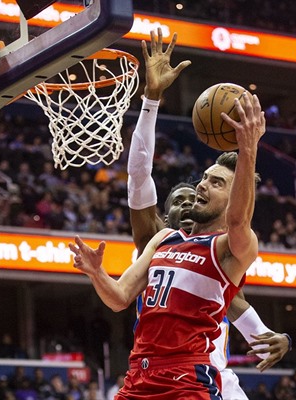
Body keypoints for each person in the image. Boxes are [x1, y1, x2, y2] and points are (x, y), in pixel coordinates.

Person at [69, 48, 267, 398]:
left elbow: (238, 220)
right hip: (138, 375)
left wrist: (248, 147)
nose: (202, 186)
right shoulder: (162, 238)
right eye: (204, 178)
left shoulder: (230, 249)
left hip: (189, 377)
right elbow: (118, 298)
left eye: (216, 182)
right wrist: (96, 273)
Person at [126, 28, 290, 398]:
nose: (189, 202)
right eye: (178, 200)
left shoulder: (213, 255)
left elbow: (241, 312)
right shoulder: (154, 241)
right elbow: (138, 174)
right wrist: (151, 99)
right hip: (164, 378)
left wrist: (277, 339)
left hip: (215, 376)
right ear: (162, 215)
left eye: (194, 195)